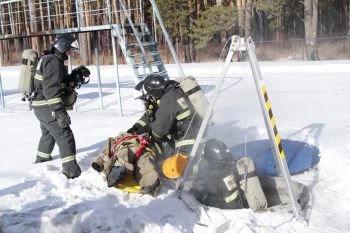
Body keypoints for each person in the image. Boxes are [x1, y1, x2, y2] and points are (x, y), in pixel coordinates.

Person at [128, 74, 204, 171]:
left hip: (186, 141)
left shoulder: (167, 100)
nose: (147, 102)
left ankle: (189, 184)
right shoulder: (174, 91)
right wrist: (136, 127)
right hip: (198, 134)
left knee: (176, 170)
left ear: (151, 93)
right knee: (190, 164)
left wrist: (146, 130)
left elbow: (159, 132)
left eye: (145, 99)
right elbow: (152, 114)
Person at [31, 34, 81, 179]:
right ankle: (71, 171)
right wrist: (59, 112)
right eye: (69, 49)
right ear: (63, 47)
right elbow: (51, 91)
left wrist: (74, 76)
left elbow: (57, 81)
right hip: (46, 105)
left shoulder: (52, 59)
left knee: (48, 134)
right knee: (65, 135)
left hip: (40, 105)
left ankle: (42, 160)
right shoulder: (53, 62)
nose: (70, 53)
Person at [92, 132, 160, 195]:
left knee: (142, 163)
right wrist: (98, 163)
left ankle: (151, 184)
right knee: (126, 156)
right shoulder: (117, 139)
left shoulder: (124, 138)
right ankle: (117, 169)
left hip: (138, 147)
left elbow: (105, 153)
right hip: (132, 147)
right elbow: (105, 153)